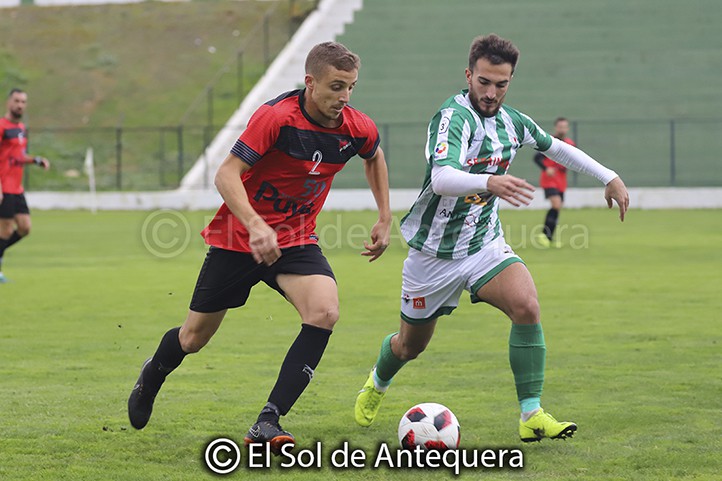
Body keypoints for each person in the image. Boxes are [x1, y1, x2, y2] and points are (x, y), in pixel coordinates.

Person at [354, 34, 629, 442]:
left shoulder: (513, 122)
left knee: (526, 305)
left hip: (483, 244)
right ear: (469, 75)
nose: (491, 92)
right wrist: (491, 182)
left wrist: (609, 176)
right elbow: (443, 177)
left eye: (501, 84)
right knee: (409, 346)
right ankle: (377, 383)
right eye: (484, 82)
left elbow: (556, 149)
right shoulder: (452, 117)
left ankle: (531, 414)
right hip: (433, 254)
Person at [128, 42, 391, 453]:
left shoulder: (355, 126)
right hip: (238, 239)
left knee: (325, 311)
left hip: (296, 237)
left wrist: (384, 215)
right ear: (310, 82)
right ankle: (153, 373)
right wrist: (255, 225)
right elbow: (226, 174)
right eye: (336, 86)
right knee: (194, 337)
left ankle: (267, 421)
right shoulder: (276, 118)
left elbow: (373, 156)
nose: (345, 97)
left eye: (351, 87)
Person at [0, 88, 50, 284]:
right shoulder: (2, 126)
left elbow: (18, 156)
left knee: (24, 228)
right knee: (4, 231)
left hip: (16, 188)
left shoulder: (20, 128)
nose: (20, 105)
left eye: (23, 102)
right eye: (16, 101)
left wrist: (35, 160)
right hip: (4, 187)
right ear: (8, 102)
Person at [533, 117, 575, 247]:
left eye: (564, 127)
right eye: (560, 126)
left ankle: (549, 237)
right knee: (556, 204)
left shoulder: (570, 143)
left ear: (567, 128)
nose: (562, 129)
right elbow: (537, 158)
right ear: (556, 127)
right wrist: (546, 168)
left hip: (561, 181)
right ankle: (543, 235)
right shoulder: (549, 141)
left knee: (557, 207)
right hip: (549, 180)